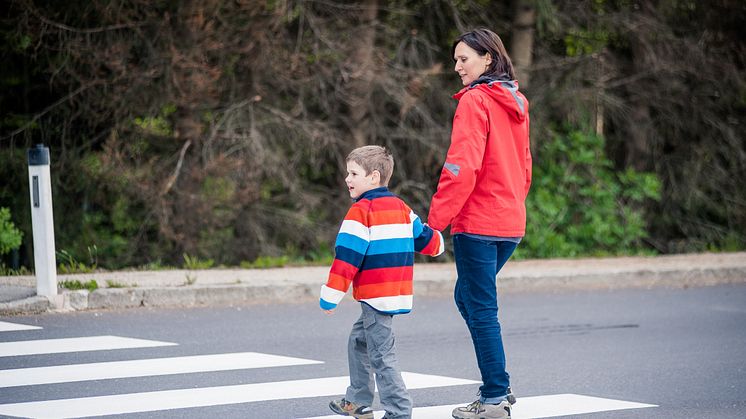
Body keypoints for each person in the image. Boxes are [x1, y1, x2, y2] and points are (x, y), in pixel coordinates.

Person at [427, 28, 532, 419]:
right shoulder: (516, 101)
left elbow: (460, 167)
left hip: (478, 223)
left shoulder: (475, 101)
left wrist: (436, 222)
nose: (457, 67)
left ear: (488, 58)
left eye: (463, 59)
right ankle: (497, 385)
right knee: (468, 299)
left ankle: (494, 397)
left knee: (480, 307)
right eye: (455, 60)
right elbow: (525, 168)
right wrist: (512, 207)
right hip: (509, 222)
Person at [321, 145, 445, 419]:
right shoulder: (401, 208)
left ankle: (398, 412)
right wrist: (439, 243)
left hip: (376, 296)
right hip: (392, 293)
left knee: (382, 356)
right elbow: (424, 237)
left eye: (353, 173)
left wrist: (330, 297)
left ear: (374, 177)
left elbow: (346, 258)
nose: (347, 179)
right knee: (359, 341)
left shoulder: (360, 212)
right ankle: (358, 400)